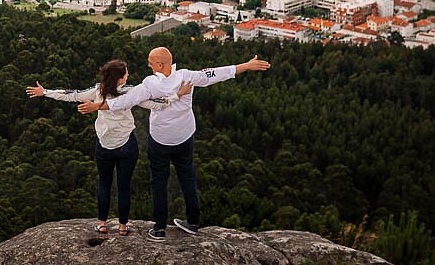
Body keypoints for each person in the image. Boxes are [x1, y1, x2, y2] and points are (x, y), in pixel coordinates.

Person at [79, 47, 270, 241]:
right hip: (184, 137)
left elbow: (125, 101)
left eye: (151, 62)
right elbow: (216, 74)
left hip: (160, 140)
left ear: (160, 64)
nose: (148, 65)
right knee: (187, 177)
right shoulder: (187, 76)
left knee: (159, 182)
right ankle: (193, 222)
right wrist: (246, 65)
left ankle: (159, 228)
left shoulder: (150, 83)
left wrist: (97, 106)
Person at [27, 59, 193, 236]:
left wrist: (45, 92)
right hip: (127, 146)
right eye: (126, 73)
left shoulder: (98, 91)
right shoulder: (130, 92)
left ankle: (102, 224)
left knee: (104, 185)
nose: (128, 75)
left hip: (104, 146)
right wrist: (178, 95)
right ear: (120, 79)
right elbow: (157, 103)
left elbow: (71, 94)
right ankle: (122, 227)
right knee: (124, 187)